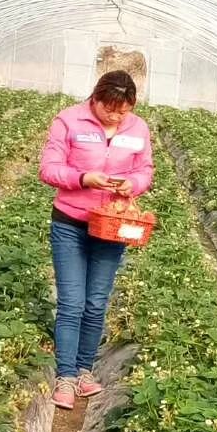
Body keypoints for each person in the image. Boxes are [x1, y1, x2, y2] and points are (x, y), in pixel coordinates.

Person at [39, 71, 154, 410]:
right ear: (96, 99)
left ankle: (86, 372)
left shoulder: (138, 128)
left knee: (96, 303)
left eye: (125, 110)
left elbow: (145, 170)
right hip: (71, 223)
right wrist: (84, 178)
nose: (117, 116)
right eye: (111, 109)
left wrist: (131, 185)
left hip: (113, 225)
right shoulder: (69, 120)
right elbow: (48, 168)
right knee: (72, 302)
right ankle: (65, 377)